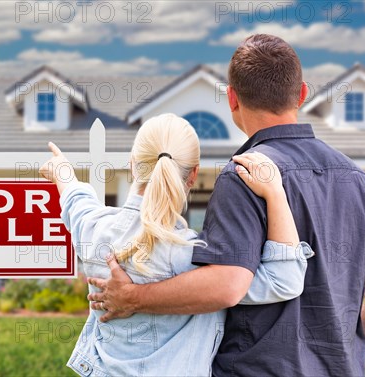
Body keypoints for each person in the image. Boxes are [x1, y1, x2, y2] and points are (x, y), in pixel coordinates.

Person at [86, 34, 365, 376]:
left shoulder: (242, 174)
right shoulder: (357, 180)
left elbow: (226, 285)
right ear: (301, 94)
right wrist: (349, 364)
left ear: (231, 98)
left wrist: (134, 297)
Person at [40, 113, 314, 376]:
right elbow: (283, 280)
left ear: (132, 164)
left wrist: (63, 173)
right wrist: (276, 194)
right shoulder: (195, 258)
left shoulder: (94, 229)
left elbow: (77, 202)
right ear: (193, 175)